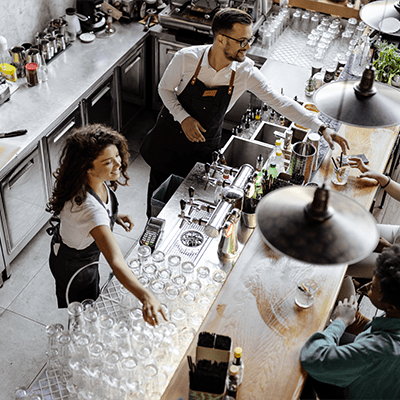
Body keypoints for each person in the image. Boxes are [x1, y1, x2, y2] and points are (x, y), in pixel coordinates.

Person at [140, 7, 350, 218]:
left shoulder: (244, 72)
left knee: (188, 204)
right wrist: (184, 118)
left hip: (201, 148)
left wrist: (321, 128)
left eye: (250, 39)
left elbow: (279, 101)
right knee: (158, 201)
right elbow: (164, 89)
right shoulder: (186, 59)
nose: (248, 46)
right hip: (168, 144)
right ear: (222, 39)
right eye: (242, 41)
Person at [46, 124, 166, 326]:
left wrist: (114, 216)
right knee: (82, 312)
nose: (118, 164)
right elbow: (116, 261)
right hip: (74, 264)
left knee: (88, 302)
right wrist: (146, 296)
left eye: (117, 156)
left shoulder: (92, 182)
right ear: (87, 167)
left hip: (74, 248)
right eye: (108, 162)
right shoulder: (88, 209)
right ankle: (78, 338)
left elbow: (98, 212)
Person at [300, 245, 400, 400]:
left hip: (354, 393)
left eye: (373, 287)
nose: (366, 287)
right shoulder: (395, 315)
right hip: (384, 380)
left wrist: (341, 320)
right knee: (327, 334)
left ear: (391, 306)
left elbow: (314, 358)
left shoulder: (378, 349)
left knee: (302, 356)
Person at [347, 156, 400, 279]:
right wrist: (381, 178)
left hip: (397, 264)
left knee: (343, 261)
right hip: (397, 236)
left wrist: (388, 249)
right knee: (351, 230)